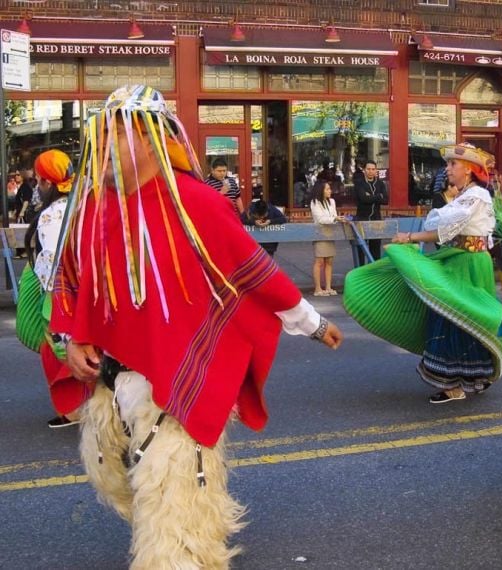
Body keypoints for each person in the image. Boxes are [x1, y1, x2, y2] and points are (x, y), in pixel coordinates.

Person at [50, 85, 343, 569]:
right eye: (98, 143)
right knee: (118, 482)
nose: (101, 155)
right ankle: (200, 533)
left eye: (113, 141)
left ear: (149, 138)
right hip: (110, 374)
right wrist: (72, 338)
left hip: (175, 378)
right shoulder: (94, 208)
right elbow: (73, 277)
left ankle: (185, 554)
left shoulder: (196, 203)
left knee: (172, 495)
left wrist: (310, 322)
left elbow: (250, 272)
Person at [343, 143, 502, 404]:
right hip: (461, 258)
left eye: (452, 165)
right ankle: (470, 378)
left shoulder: (475, 196)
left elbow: (446, 229)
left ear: (468, 170)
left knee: (454, 315)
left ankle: (455, 384)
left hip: (466, 262)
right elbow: (448, 228)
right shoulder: (467, 195)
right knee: (458, 316)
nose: (448, 169)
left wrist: (409, 236)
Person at [16, 150, 83, 429]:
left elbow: (53, 262)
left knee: (58, 351)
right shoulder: (82, 204)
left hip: (62, 295)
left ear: (44, 182)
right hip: (83, 291)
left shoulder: (53, 214)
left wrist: (48, 292)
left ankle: (75, 410)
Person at [310, 180, 344, 296]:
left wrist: (338, 218)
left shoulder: (332, 202)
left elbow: (333, 215)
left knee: (329, 260)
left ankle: (328, 287)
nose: (330, 191)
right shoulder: (315, 202)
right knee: (319, 261)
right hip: (320, 233)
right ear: (321, 190)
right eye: (327, 189)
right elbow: (320, 219)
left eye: (330, 189)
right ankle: (318, 289)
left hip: (330, 232)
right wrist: (334, 219)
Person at [353, 160, 389, 264]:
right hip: (362, 219)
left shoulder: (380, 184)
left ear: (376, 170)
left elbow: (386, 200)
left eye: (373, 169)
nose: (370, 171)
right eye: (368, 169)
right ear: (364, 170)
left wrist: (371, 196)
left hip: (376, 219)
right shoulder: (359, 183)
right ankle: (361, 271)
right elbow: (363, 199)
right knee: (361, 248)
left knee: (375, 248)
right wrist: (378, 196)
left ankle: (374, 272)